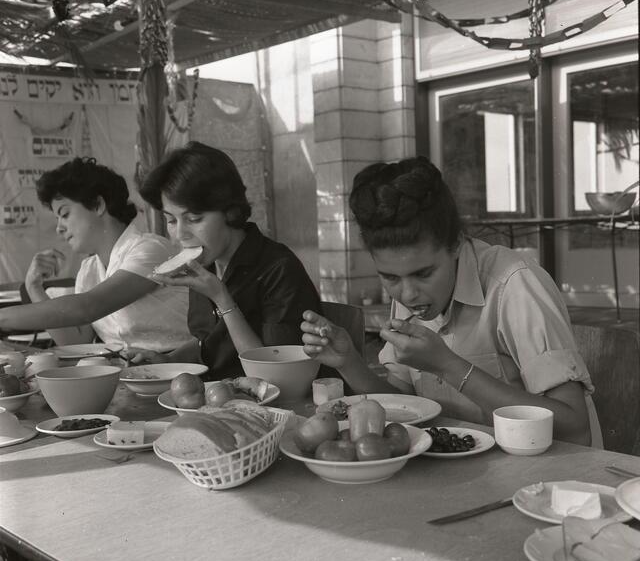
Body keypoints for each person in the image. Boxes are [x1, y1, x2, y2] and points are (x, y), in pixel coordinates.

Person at [301, 156, 598, 446]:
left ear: (456, 244)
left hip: (546, 479)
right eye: (390, 278)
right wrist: (349, 362)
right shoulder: (413, 291)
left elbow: (574, 428)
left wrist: (448, 367)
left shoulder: (514, 285)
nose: (407, 294)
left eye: (424, 273)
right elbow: (402, 405)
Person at [125, 141, 323, 380]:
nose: (180, 234)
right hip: (215, 396)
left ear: (230, 211)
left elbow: (274, 374)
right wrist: (169, 359)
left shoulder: (278, 269)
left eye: (194, 218)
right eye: (171, 220)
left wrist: (222, 298)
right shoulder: (206, 263)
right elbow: (210, 343)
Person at [0, 157, 193, 352]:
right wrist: (34, 289)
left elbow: (88, 307)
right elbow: (75, 342)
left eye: (65, 214)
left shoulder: (149, 249)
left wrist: (2, 318)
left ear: (98, 205)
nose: (59, 228)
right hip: (127, 373)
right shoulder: (89, 269)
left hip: (181, 367)